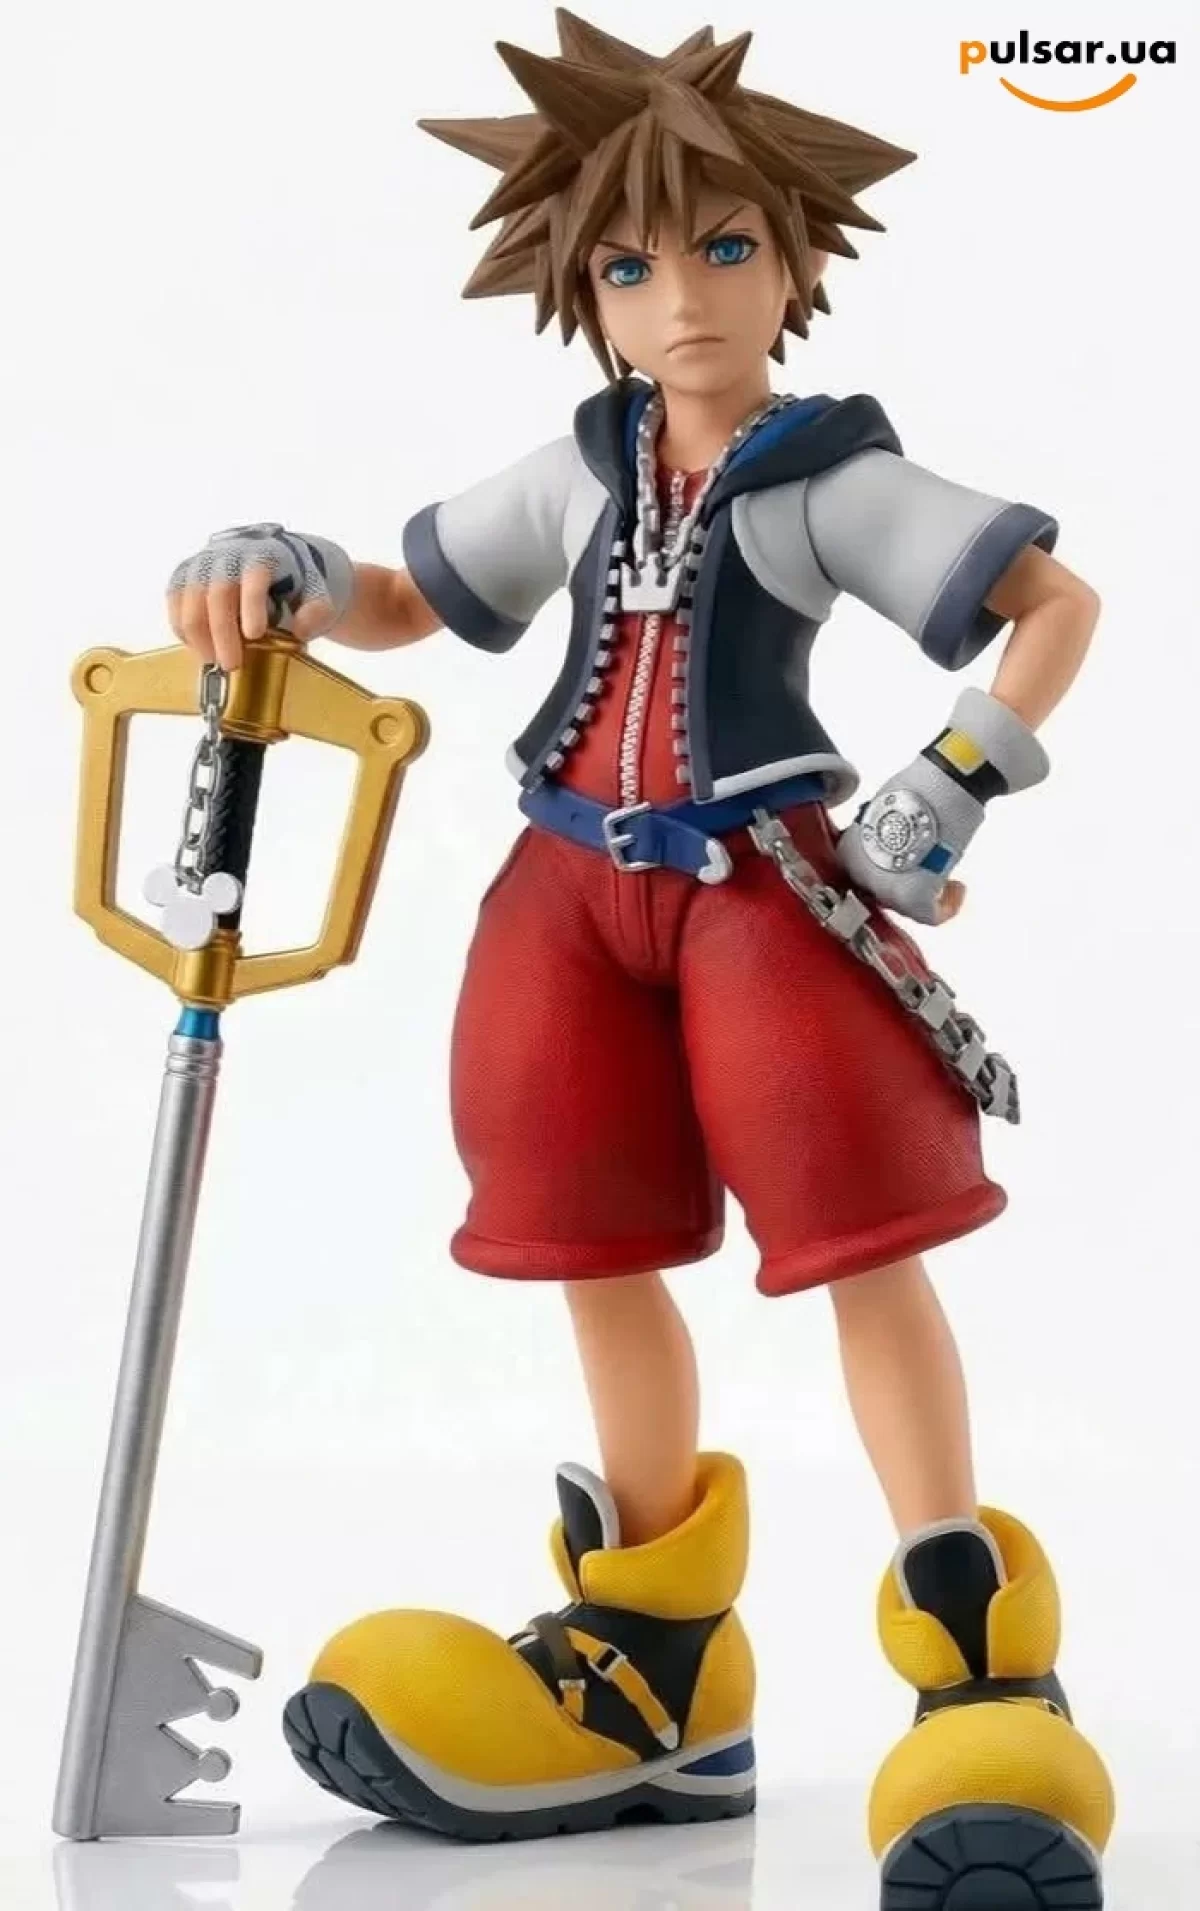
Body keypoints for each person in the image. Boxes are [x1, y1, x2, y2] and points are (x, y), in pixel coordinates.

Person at [168, 14, 1113, 1904]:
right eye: (628, 267)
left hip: (766, 891)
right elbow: (414, 597)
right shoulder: (582, 461)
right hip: (564, 890)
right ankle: (654, 1665)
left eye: (727, 249)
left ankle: (978, 1663)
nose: (683, 300)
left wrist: (955, 780)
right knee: (584, 1233)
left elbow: (1051, 603)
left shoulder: (827, 477)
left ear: (796, 259)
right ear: (582, 293)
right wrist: (291, 566)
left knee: (859, 1231)